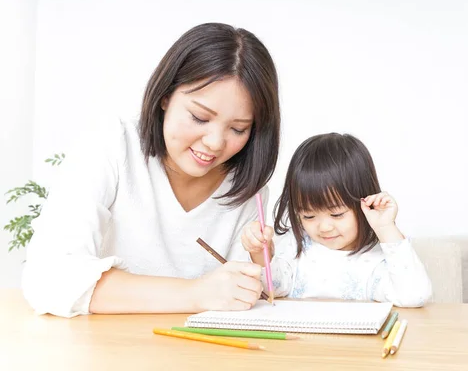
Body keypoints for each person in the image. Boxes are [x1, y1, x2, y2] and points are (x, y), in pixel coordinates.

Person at [22, 23, 281, 317]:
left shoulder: (245, 187)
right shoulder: (112, 146)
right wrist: (195, 294)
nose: (215, 143)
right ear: (165, 96)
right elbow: (49, 279)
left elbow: (246, 297)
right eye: (199, 117)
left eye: (238, 128)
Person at [241, 133, 432, 307]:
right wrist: (259, 252)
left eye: (337, 214)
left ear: (364, 202)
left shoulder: (377, 258)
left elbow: (414, 296)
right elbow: (270, 290)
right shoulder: (296, 247)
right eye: (308, 216)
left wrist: (385, 227)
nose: (324, 227)